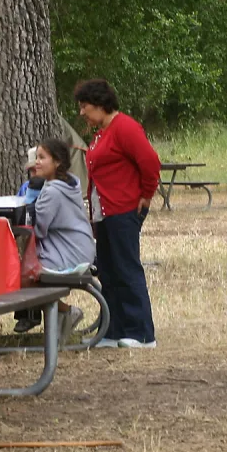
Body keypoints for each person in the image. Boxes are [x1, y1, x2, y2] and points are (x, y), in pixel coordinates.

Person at [74, 78, 161, 349]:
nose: (82, 113)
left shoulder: (125, 128)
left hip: (124, 209)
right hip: (105, 212)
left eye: (84, 106)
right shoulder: (100, 133)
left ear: (100, 104)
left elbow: (150, 162)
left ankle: (142, 333)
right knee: (109, 271)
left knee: (126, 268)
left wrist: (145, 194)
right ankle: (112, 330)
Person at [14, 138, 94, 337]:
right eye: (36, 158)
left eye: (42, 158)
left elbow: (39, 230)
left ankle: (65, 312)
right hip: (80, 247)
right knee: (24, 277)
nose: (37, 162)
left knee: (22, 280)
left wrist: (31, 198)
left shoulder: (52, 192)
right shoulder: (68, 183)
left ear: (57, 162)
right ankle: (62, 314)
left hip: (68, 253)